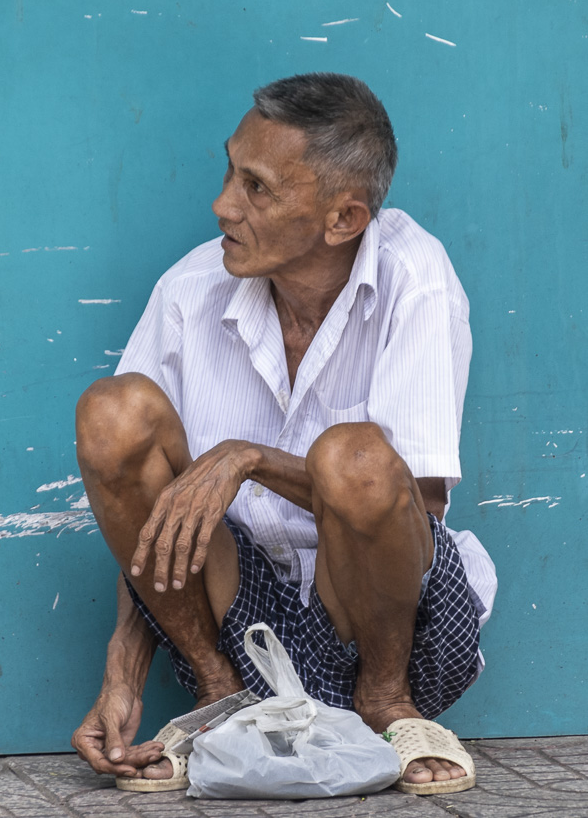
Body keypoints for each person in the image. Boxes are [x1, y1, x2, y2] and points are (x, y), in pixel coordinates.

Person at [71, 73, 497, 796]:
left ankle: (388, 705)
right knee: (114, 413)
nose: (223, 205)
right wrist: (123, 670)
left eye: (257, 188)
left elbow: (414, 507)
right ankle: (220, 695)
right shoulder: (190, 289)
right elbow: (159, 513)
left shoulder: (414, 276)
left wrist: (248, 459)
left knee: (353, 455)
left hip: (390, 627)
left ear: (343, 219)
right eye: (229, 172)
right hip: (238, 621)